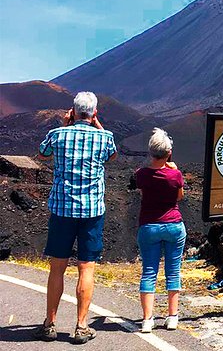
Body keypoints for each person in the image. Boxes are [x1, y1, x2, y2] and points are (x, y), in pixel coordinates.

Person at [36, 91, 117, 344]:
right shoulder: (105, 137)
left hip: (62, 210)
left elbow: (42, 152)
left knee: (57, 268)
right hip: (92, 212)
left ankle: (50, 323)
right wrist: (97, 123)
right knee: (86, 268)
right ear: (94, 113)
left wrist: (64, 124)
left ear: (72, 111)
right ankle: (81, 326)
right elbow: (113, 156)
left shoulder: (58, 135)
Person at [134, 128, 186, 333]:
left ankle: (147, 320)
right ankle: (172, 317)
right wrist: (174, 170)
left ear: (150, 152)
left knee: (149, 272)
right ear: (169, 153)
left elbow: (142, 192)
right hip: (173, 225)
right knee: (173, 271)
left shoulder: (141, 175)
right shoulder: (175, 175)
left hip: (149, 226)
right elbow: (179, 197)